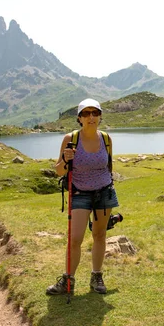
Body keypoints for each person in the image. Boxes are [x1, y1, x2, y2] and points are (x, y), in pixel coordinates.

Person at [46, 98, 119, 295]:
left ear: (100, 116)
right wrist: (65, 158)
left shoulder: (106, 139)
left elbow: (108, 165)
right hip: (79, 192)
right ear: (79, 118)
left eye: (95, 113)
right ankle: (68, 279)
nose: (91, 117)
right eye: (86, 113)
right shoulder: (70, 139)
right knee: (75, 238)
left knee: (99, 234)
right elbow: (60, 171)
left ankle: (97, 276)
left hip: (104, 191)